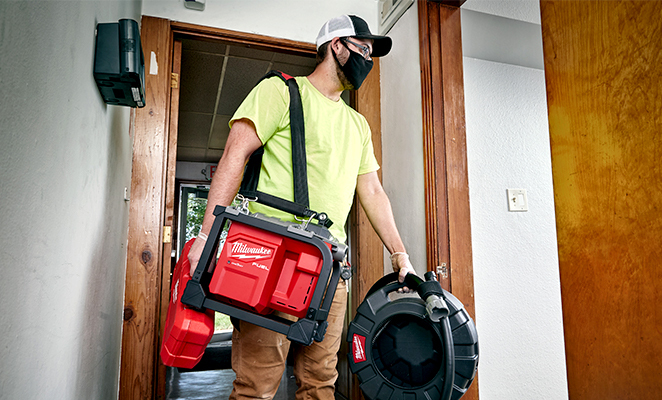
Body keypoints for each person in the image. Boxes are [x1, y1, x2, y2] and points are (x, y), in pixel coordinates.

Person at [187, 14, 415, 400]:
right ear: (337, 46)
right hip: (271, 258)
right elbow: (233, 155)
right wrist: (205, 238)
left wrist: (400, 254)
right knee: (255, 387)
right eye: (363, 49)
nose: (368, 61)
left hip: (329, 268)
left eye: (372, 55)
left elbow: (373, 191)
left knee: (320, 383)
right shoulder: (281, 92)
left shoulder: (358, 125)